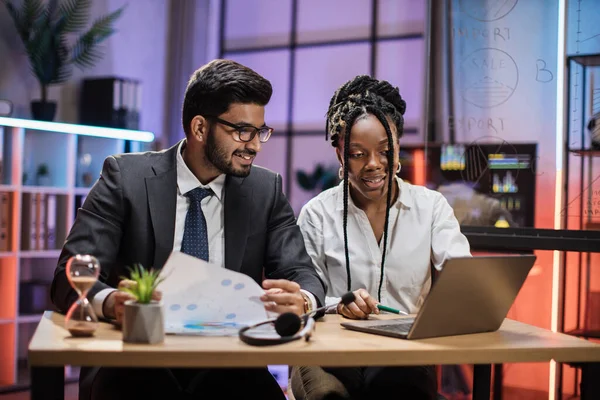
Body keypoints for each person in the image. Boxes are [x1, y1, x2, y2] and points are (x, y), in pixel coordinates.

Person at [50, 59, 326, 400]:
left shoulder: (264, 190)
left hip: (232, 366)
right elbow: (69, 274)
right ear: (199, 128)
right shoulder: (126, 178)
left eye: (260, 132)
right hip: (138, 363)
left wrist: (301, 299)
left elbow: (302, 273)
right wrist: (111, 303)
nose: (255, 145)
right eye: (243, 131)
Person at [290, 75, 472, 400]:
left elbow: (464, 276)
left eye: (385, 151)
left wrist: (472, 294)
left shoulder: (431, 208)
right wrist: (338, 305)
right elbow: (305, 298)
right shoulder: (316, 214)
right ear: (339, 155)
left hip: (403, 353)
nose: (374, 164)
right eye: (358, 154)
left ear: (398, 145)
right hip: (326, 351)